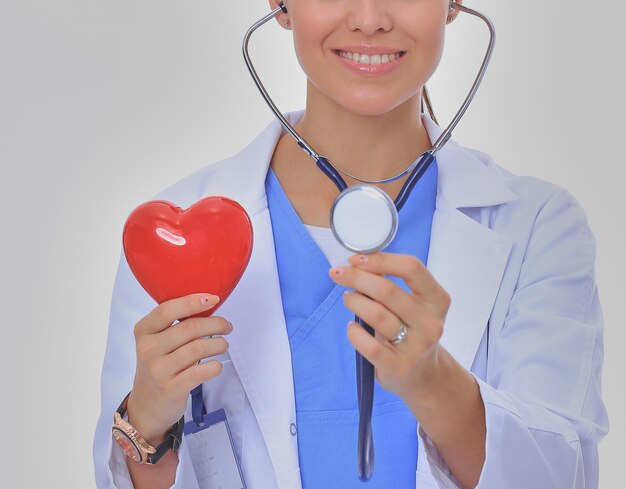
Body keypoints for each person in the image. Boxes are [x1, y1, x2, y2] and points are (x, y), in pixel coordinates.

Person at [93, 1, 609, 488]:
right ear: (280, 3)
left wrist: (433, 384)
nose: (368, 19)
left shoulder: (537, 226)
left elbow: (559, 474)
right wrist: (148, 426)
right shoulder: (168, 238)